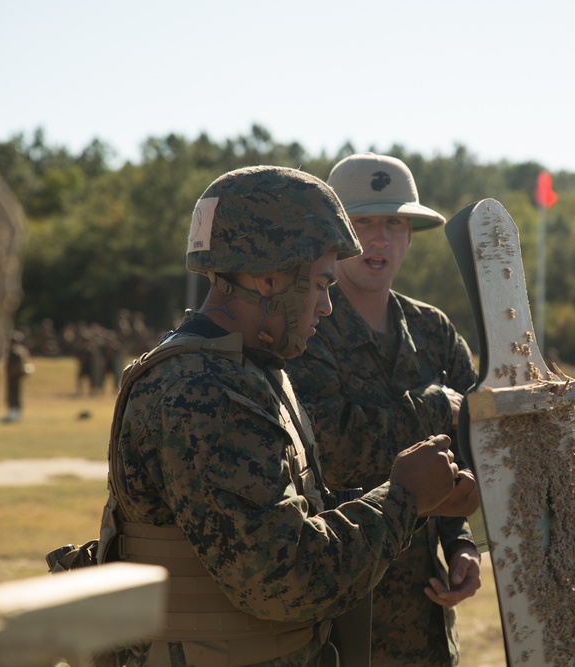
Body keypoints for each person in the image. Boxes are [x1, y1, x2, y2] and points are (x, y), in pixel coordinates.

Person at [103, 165, 478, 667]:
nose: (326, 306)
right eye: (320, 284)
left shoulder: (249, 370)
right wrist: (404, 498)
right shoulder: (203, 391)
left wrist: (422, 498)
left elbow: (289, 510)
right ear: (267, 278)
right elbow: (284, 578)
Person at [285, 153, 481, 666]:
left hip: (424, 619)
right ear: (332, 235)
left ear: (410, 236)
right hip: (336, 613)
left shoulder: (433, 331)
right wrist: (437, 408)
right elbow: (333, 447)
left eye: (394, 222)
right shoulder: (306, 326)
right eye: (362, 222)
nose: (379, 238)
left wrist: (462, 542)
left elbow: (481, 450)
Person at [2, 328, 33, 422]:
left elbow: (17, 366)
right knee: (12, 394)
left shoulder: (15, 352)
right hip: (13, 376)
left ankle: (14, 414)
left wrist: (13, 372)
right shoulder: (19, 351)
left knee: (14, 395)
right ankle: (13, 413)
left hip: (14, 376)